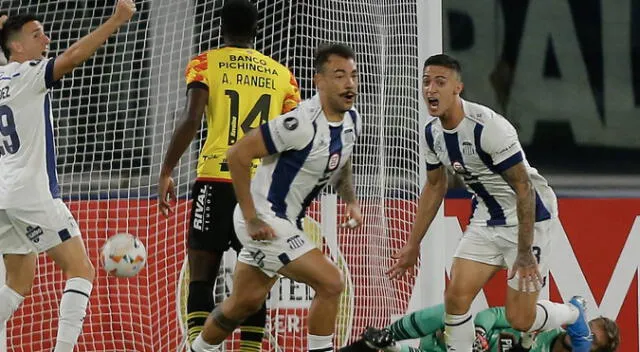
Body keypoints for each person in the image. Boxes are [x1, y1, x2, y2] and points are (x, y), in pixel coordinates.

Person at [387, 54, 592, 352]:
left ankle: (574, 312)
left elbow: (524, 189)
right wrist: (413, 243)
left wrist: (523, 252)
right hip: (487, 217)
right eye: (426, 81)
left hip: (531, 218)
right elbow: (434, 186)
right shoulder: (432, 134)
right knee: (456, 297)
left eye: (440, 82)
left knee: (520, 319)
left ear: (458, 87)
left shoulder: (489, 128)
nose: (431, 89)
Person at [188, 42, 362, 352]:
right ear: (318, 81)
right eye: (339, 75)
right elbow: (238, 154)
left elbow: (342, 159)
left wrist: (350, 199)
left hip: (284, 221)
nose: (349, 84)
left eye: (353, 75)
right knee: (332, 282)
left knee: (243, 302)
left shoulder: (351, 121)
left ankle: (196, 349)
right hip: (265, 219)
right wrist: (252, 216)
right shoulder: (300, 123)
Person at [157, 0, 300, 349]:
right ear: (257, 30)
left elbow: (191, 119)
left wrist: (167, 170)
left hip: (216, 181)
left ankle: (197, 345)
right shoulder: (282, 76)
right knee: (254, 280)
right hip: (259, 191)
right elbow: (294, 138)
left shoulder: (206, 63)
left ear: (221, 29)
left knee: (202, 276)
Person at [0, 2, 136, 351]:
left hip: (4, 196)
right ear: (16, 47)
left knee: (17, 282)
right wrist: (116, 20)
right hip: (33, 194)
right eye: (36, 34)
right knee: (82, 270)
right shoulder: (29, 73)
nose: (46, 38)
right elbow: (74, 56)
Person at [339, 299, 620, 352]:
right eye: (586, 327)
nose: (582, 335)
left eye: (592, 341)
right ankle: (388, 336)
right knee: (454, 310)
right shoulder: (545, 324)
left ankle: (391, 349)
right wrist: (481, 334)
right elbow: (493, 314)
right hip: (459, 343)